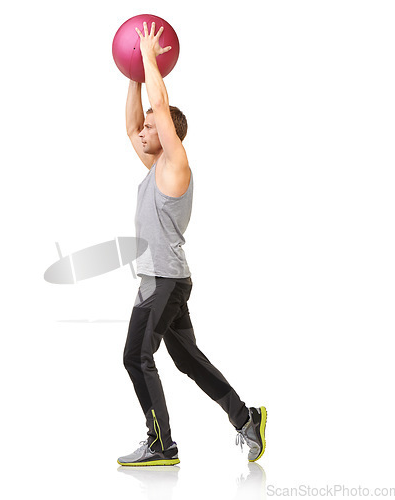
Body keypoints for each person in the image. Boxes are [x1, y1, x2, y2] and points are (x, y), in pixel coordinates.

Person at [118, 21, 267, 467]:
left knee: (135, 357)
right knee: (187, 361)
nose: (142, 131)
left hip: (162, 281)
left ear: (166, 134)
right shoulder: (154, 166)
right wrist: (131, 72)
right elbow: (130, 127)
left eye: (151, 127)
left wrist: (148, 56)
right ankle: (247, 418)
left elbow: (159, 107)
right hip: (166, 280)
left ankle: (160, 443)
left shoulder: (175, 163)